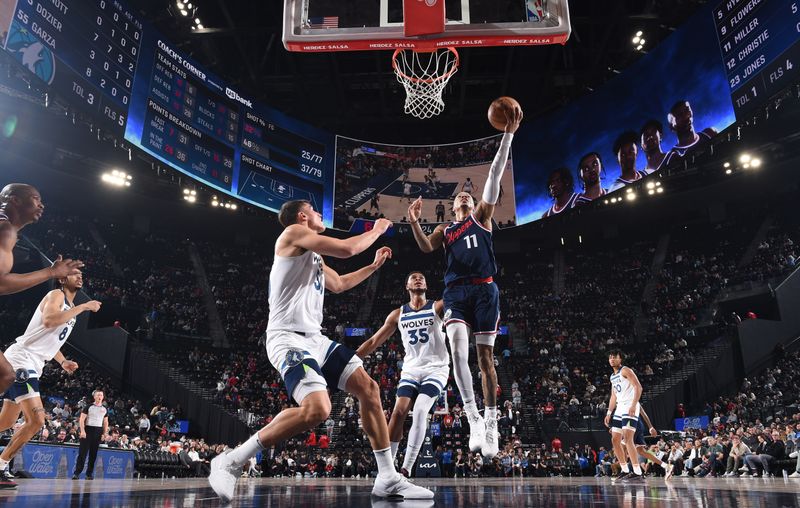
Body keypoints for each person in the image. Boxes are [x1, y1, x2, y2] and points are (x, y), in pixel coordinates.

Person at [208, 200, 431, 502]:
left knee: (369, 388)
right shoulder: (292, 234)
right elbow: (346, 249)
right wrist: (377, 229)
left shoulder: (310, 255)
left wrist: (374, 266)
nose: (319, 214)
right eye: (314, 210)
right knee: (318, 410)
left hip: (315, 338)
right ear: (302, 216)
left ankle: (388, 477)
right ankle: (231, 460)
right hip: (287, 338)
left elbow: (338, 283)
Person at [407, 105, 522, 459]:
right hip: (456, 291)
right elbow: (427, 246)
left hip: (486, 289)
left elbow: (494, 172)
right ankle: (471, 416)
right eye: (460, 196)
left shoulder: (482, 218)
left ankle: (491, 421)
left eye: (468, 196)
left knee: (485, 359)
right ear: (453, 205)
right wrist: (414, 222)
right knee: (457, 350)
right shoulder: (446, 229)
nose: (464, 196)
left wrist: (508, 135)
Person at [0, 270, 100, 486]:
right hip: (23, 359)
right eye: (75, 274)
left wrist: (62, 361)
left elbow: (51, 340)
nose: (80, 277)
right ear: (63, 279)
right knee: (36, 421)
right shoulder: (57, 295)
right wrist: (83, 307)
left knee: (6, 421)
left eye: (82, 274)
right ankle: (0, 466)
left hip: (35, 362)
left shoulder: (69, 310)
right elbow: (48, 321)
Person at [356, 271, 450, 477]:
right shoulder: (398, 314)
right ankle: (387, 468)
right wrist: (353, 357)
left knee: (419, 410)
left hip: (436, 368)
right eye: (414, 277)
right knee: (398, 413)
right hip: (411, 368)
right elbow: (373, 341)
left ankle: (406, 468)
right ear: (407, 286)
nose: (418, 279)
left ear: (426, 286)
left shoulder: (437, 307)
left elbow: (457, 299)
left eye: (422, 278)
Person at [0, 184, 83, 400]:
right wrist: (51, 272)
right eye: (36, 198)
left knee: (4, 374)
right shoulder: (5, 229)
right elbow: (1, 284)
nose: (41, 204)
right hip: (25, 355)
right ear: (14, 200)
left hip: (36, 359)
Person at [604, 349, 645, 481]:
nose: (612, 359)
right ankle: (625, 469)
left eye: (614, 357)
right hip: (620, 407)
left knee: (628, 439)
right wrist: (609, 412)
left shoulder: (626, 370)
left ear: (620, 359)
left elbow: (638, 387)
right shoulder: (612, 376)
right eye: (610, 357)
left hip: (629, 406)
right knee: (615, 440)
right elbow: (613, 396)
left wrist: (634, 405)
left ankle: (638, 471)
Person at [615, 406, 674, 480]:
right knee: (641, 451)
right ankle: (666, 466)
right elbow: (643, 413)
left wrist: (651, 427)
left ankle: (626, 471)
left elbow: (642, 413)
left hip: (632, 425)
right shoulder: (628, 401)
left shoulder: (630, 399)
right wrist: (650, 427)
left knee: (623, 446)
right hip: (637, 425)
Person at [663, 100, 717, 166]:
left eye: (687, 110)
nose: (686, 116)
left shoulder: (710, 133)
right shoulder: (673, 157)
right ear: (672, 126)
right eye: (679, 115)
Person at [73, 389, 109, 479]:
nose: (99, 396)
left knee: (93, 454)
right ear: (94, 397)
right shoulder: (88, 407)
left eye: (101, 395)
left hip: (98, 431)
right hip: (88, 429)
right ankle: (77, 473)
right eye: (98, 395)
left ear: (103, 397)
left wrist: (104, 433)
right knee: (82, 453)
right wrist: (82, 431)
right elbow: (81, 419)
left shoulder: (104, 409)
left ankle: (89, 474)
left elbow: (105, 422)